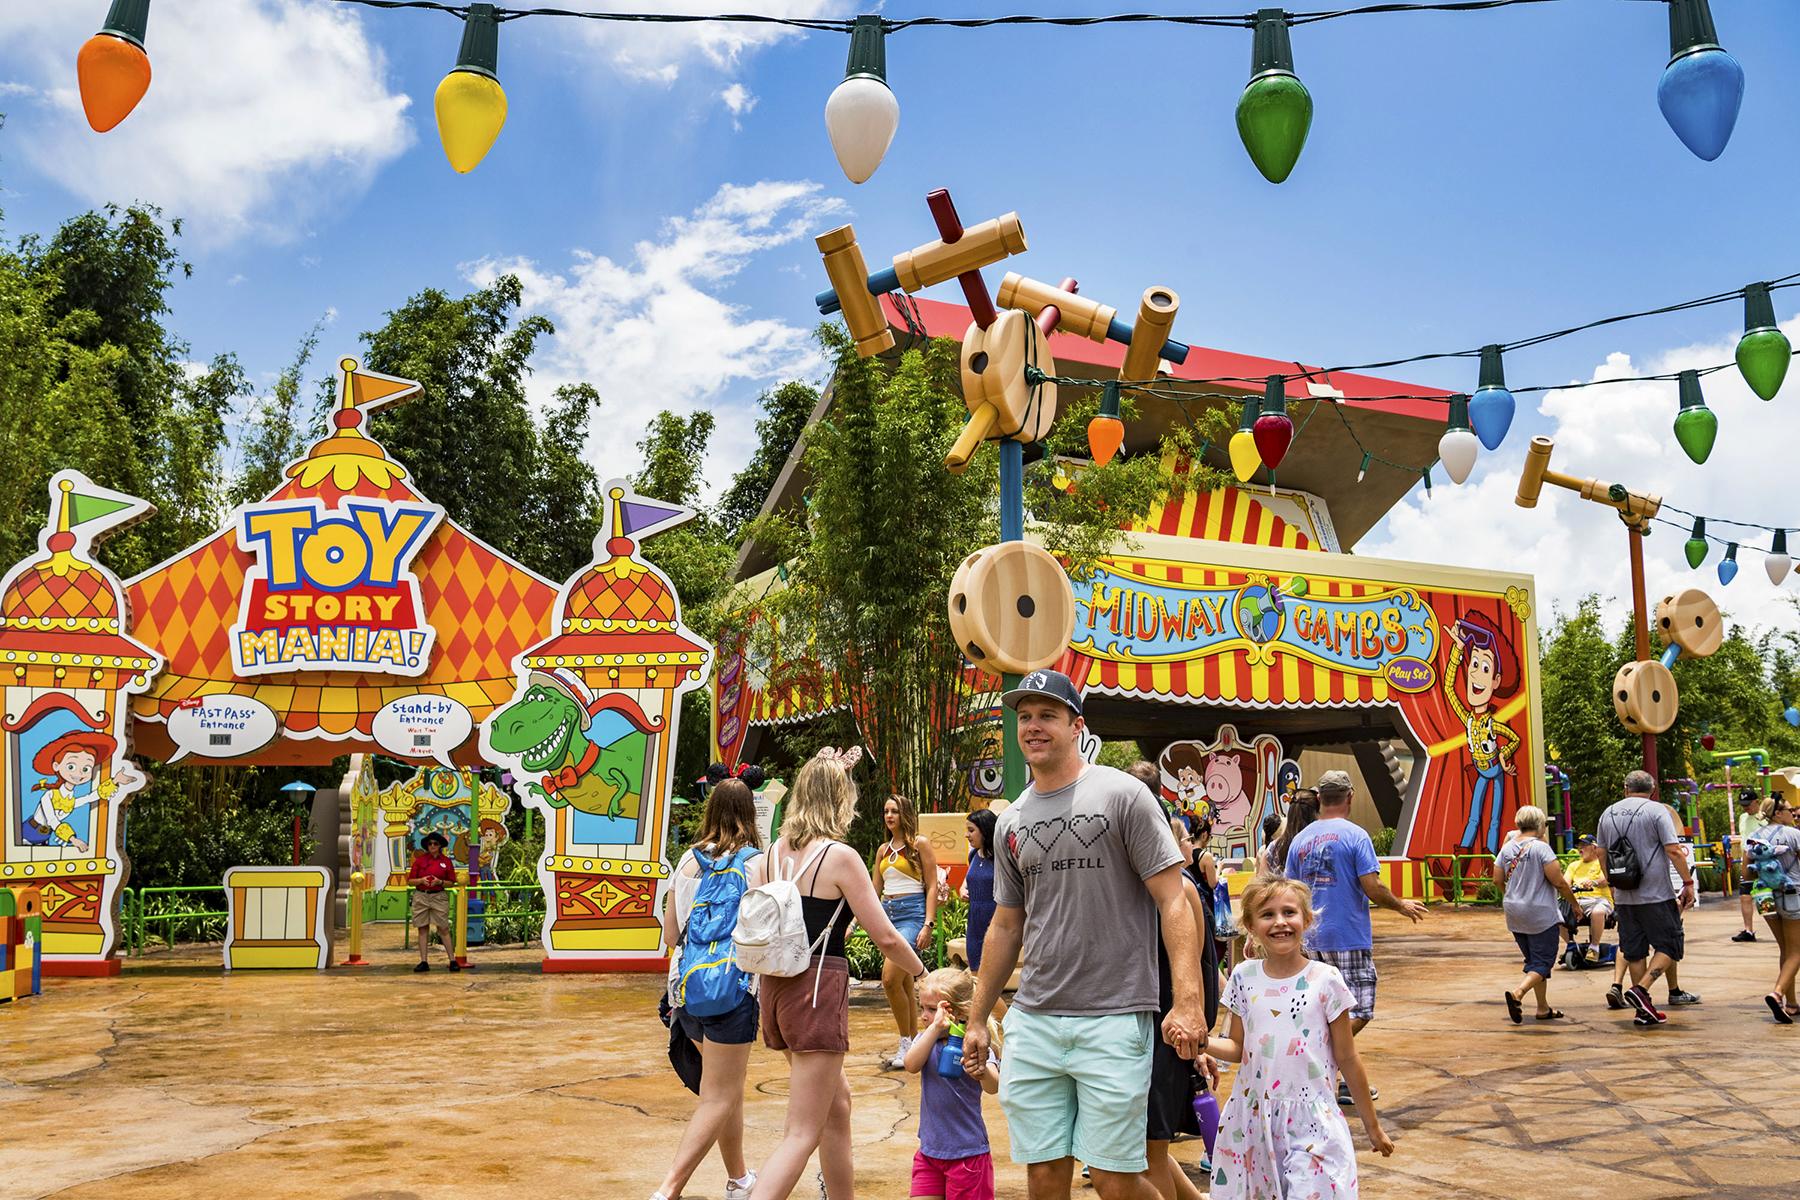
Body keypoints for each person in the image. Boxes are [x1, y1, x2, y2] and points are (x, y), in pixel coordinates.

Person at [963, 669, 1205, 1200]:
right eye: (1024, 716)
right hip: (1035, 1019)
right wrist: (979, 1016)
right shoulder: (1011, 822)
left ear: (1077, 725)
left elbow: (1175, 900)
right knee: (1044, 1175)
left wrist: (1187, 1000)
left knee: (1116, 1177)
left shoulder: (1123, 796)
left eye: (1047, 715)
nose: (1033, 726)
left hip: (1115, 1016)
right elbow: (1007, 924)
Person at [748, 748, 926, 1200]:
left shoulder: (769, 855)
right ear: (839, 799)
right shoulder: (840, 857)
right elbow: (885, 937)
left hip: (775, 991)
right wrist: (923, 972)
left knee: (837, 1105)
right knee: (801, 1132)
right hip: (814, 992)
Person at [1203, 876, 1394, 1199]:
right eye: (1267, 915)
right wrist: (1202, 1042)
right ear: (1250, 924)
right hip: (1253, 1122)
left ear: (1306, 919)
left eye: (1289, 912)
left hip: (1312, 1122)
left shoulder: (1325, 980)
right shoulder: (1243, 977)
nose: (1280, 922)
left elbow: (1347, 1057)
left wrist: (1372, 1126)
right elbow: (1237, 1046)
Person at [1283, 770, 1425, 1104]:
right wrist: (1400, 904)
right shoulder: (1356, 836)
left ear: (1320, 799)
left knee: (1320, 1009)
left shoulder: (1301, 840)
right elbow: (1371, 886)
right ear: (1350, 797)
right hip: (1347, 937)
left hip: (1310, 940)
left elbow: (1289, 891)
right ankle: (1320, 1056)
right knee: (1360, 1008)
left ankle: (1341, 1078)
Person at [654, 778, 764, 1200]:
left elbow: (670, 933)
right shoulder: (757, 863)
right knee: (720, 1095)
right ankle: (668, 1189)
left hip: (686, 990)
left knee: (724, 1089)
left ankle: (738, 1179)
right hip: (732, 989)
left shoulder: (687, 861)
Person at [1143, 813, 1216, 1200]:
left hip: (1166, 1033)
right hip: (1153, 1030)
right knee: (1148, 1147)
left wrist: (1197, 1042)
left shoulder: (1181, 892)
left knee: (1151, 1149)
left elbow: (1198, 968)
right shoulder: (1156, 890)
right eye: (1184, 839)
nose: (1189, 847)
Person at [1595, 770, 1695, 1026]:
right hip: (1656, 894)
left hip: (1625, 896)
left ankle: (1643, 1010)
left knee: (1634, 951)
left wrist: (1613, 883)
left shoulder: (1608, 813)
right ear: (1652, 790)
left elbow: (1601, 852)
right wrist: (1687, 882)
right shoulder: (1656, 811)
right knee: (1670, 945)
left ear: (1625, 788)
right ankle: (1642, 989)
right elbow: (1673, 850)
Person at [903, 967, 1000, 1200]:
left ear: (956, 1011)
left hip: (967, 1155)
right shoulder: (926, 1039)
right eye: (922, 1008)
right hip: (929, 1152)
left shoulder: (975, 1041)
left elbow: (993, 1085)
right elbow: (911, 1064)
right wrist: (935, 1028)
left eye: (932, 1009)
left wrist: (981, 1068)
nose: (925, 1016)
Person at [1492, 806, 1581, 1023]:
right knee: (1543, 963)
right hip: (1540, 913)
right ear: (1540, 825)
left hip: (1514, 913)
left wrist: (1512, 896)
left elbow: (1497, 879)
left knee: (1534, 961)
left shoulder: (1506, 848)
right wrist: (1575, 905)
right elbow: (1559, 882)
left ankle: (1543, 1008)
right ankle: (1518, 994)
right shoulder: (1541, 849)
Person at [875, 794, 940, 1069]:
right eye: (886, 811)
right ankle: (914, 1040)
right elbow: (873, 891)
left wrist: (928, 923)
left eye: (895, 811)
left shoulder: (919, 844)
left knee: (889, 980)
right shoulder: (882, 850)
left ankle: (906, 1041)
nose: (889, 816)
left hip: (912, 917)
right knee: (902, 983)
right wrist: (854, 924)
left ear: (905, 814)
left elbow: (933, 885)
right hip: (888, 918)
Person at [1751, 795, 1800, 1022]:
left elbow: (1745, 873)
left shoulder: (1754, 837)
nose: (1794, 814)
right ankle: (1777, 993)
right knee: (1797, 951)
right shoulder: (1793, 835)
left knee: (1786, 950)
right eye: (1790, 810)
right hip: (1792, 895)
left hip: (1765, 897)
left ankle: (1791, 1004)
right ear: (1778, 813)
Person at [961, 809, 1000, 1030]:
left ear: (985, 831)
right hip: (974, 923)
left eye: (971, 830)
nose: (967, 835)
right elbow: (969, 883)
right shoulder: (973, 856)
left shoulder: (1001, 858)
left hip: (993, 922)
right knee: (977, 980)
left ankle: (1009, 1023)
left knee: (984, 984)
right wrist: (963, 891)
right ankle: (990, 1029)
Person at [406, 831, 460, 973]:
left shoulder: (446, 862)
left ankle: (452, 960)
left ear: (440, 845)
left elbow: (451, 883)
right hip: (421, 895)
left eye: (435, 843)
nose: (432, 846)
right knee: (422, 928)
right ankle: (424, 961)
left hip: (439, 896)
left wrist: (439, 882)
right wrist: (421, 880)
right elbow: (410, 881)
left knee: (443, 928)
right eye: (430, 843)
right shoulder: (420, 861)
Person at [1565, 834, 1614, 963]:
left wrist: (1594, 882)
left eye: (1584, 846)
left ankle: (1594, 947)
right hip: (1578, 901)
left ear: (1594, 847)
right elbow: (1565, 883)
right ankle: (1571, 945)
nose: (1580, 849)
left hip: (1599, 899)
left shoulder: (1601, 862)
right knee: (1557, 913)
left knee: (1597, 912)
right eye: (1579, 846)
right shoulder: (1573, 866)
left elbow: (1607, 879)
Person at [1734, 787, 1765, 943]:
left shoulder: (1765, 818)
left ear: (1756, 802)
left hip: (1764, 862)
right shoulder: (1742, 817)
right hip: (1747, 860)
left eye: (1748, 804)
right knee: (1745, 894)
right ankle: (1748, 930)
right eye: (1743, 804)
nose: (1746, 807)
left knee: (1769, 896)